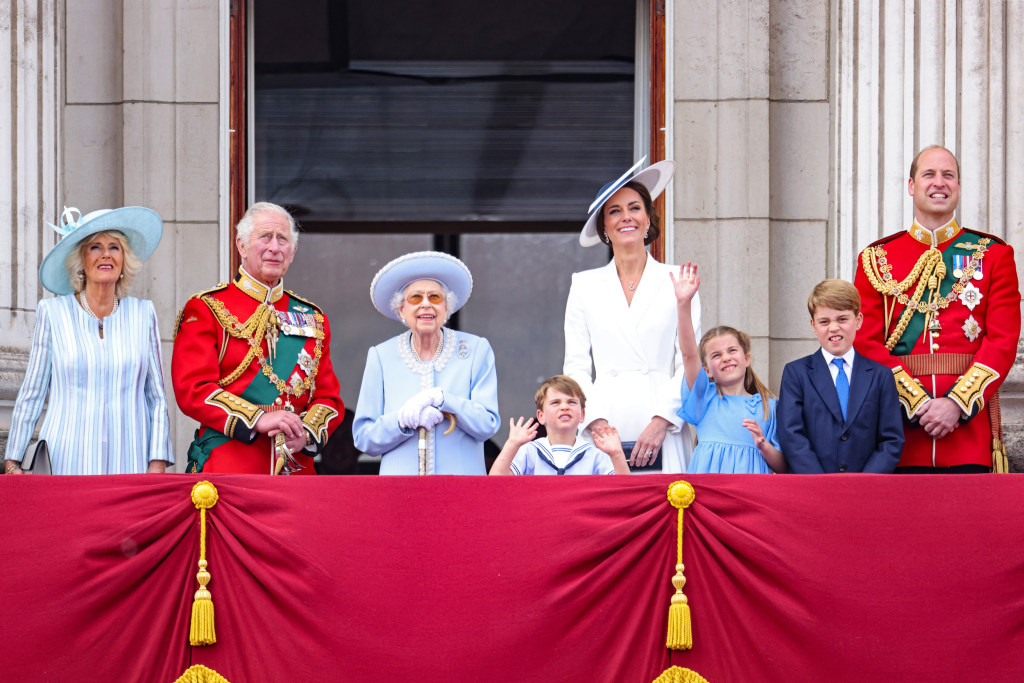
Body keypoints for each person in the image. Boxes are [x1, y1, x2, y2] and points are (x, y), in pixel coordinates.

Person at [853, 145, 1021, 473]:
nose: (939, 182)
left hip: (968, 435)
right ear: (912, 186)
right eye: (929, 174)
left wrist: (957, 404)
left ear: (958, 186)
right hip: (898, 434)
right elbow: (865, 341)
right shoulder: (876, 259)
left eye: (948, 175)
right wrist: (916, 403)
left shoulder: (994, 255)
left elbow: (1002, 341)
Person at [171, 202, 343, 475]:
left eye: (283, 239)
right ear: (241, 246)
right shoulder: (207, 307)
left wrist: (306, 434)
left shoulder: (313, 317)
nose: (274, 247)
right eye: (265, 237)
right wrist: (258, 419)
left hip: (295, 470)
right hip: (228, 465)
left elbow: (329, 399)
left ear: (293, 251)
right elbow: (193, 388)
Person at [4, 206, 173, 475]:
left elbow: (157, 397)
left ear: (124, 261)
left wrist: (158, 460)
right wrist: (13, 460)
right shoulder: (53, 313)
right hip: (67, 459)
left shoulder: (143, 314)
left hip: (130, 460)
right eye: (95, 247)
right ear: (81, 260)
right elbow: (32, 392)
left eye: (114, 247)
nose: (105, 254)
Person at [564, 158, 699, 473]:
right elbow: (576, 365)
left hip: (663, 425)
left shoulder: (680, 279)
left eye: (634, 208)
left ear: (648, 219)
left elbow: (689, 362)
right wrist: (595, 420)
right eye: (614, 211)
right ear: (605, 228)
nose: (626, 217)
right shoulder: (583, 285)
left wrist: (663, 420)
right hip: (604, 425)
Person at [353, 251, 500, 474]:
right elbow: (364, 439)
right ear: (401, 309)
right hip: (400, 489)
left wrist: (444, 400)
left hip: (461, 487)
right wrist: (401, 421)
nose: (426, 305)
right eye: (415, 298)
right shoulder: (381, 356)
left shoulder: (475, 350)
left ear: (446, 308)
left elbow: (487, 424)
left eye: (435, 297)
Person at [777, 280, 904, 473]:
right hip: (814, 487)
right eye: (824, 322)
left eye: (842, 319)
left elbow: (891, 439)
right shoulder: (796, 374)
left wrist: (865, 482)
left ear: (858, 320)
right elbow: (791, 435)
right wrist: (821, 483)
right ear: (813, 325)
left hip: (866, 488)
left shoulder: (881, 376)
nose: (834, 328)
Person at [672, 262, 785, 474]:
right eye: (716, 355)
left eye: (732, 350)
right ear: (706, 370)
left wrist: (763, 445)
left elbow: (783, 465)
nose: (726, 358)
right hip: (709, 492)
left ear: (747, 358)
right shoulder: (703, 398)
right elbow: (688, 354)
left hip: (751, 493)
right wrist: (683, 304)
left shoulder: (769, 406)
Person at [489, 375, 630, 475]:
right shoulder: (529, 451)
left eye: (572, 402)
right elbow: (495, 482)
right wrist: (512, 444)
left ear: (582, 416)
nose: (564, 407)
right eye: (555, 402)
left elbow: (623, 492)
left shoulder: (595, 455)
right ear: (541, 416)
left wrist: (617, 454)